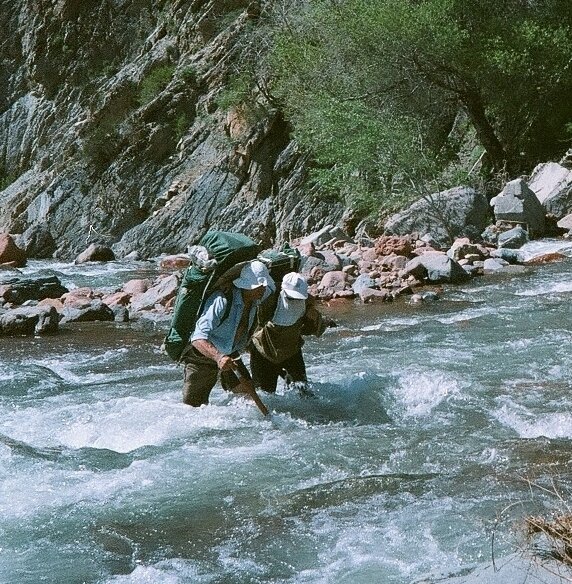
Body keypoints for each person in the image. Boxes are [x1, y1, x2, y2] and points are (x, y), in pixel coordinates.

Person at [181, 260, 275, 407]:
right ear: (245, 286)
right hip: (203, 356)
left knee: (248, 398)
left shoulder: (257, 296)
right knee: (193, 407)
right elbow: (198, 338)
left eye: (264, 284)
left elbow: (275, 288)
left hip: (230, 354)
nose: (263, 289)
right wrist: (218, 357)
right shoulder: (221, 300)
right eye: (259, 285)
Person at [249, 272, 328, 398]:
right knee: (265, 396)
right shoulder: (270, 298)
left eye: (298, 297)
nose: (295, 299)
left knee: (303, 391)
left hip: (291, 351)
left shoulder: (307, 301)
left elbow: (313, 327)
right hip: (264, 354)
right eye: (292, 296)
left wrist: (314, 316)